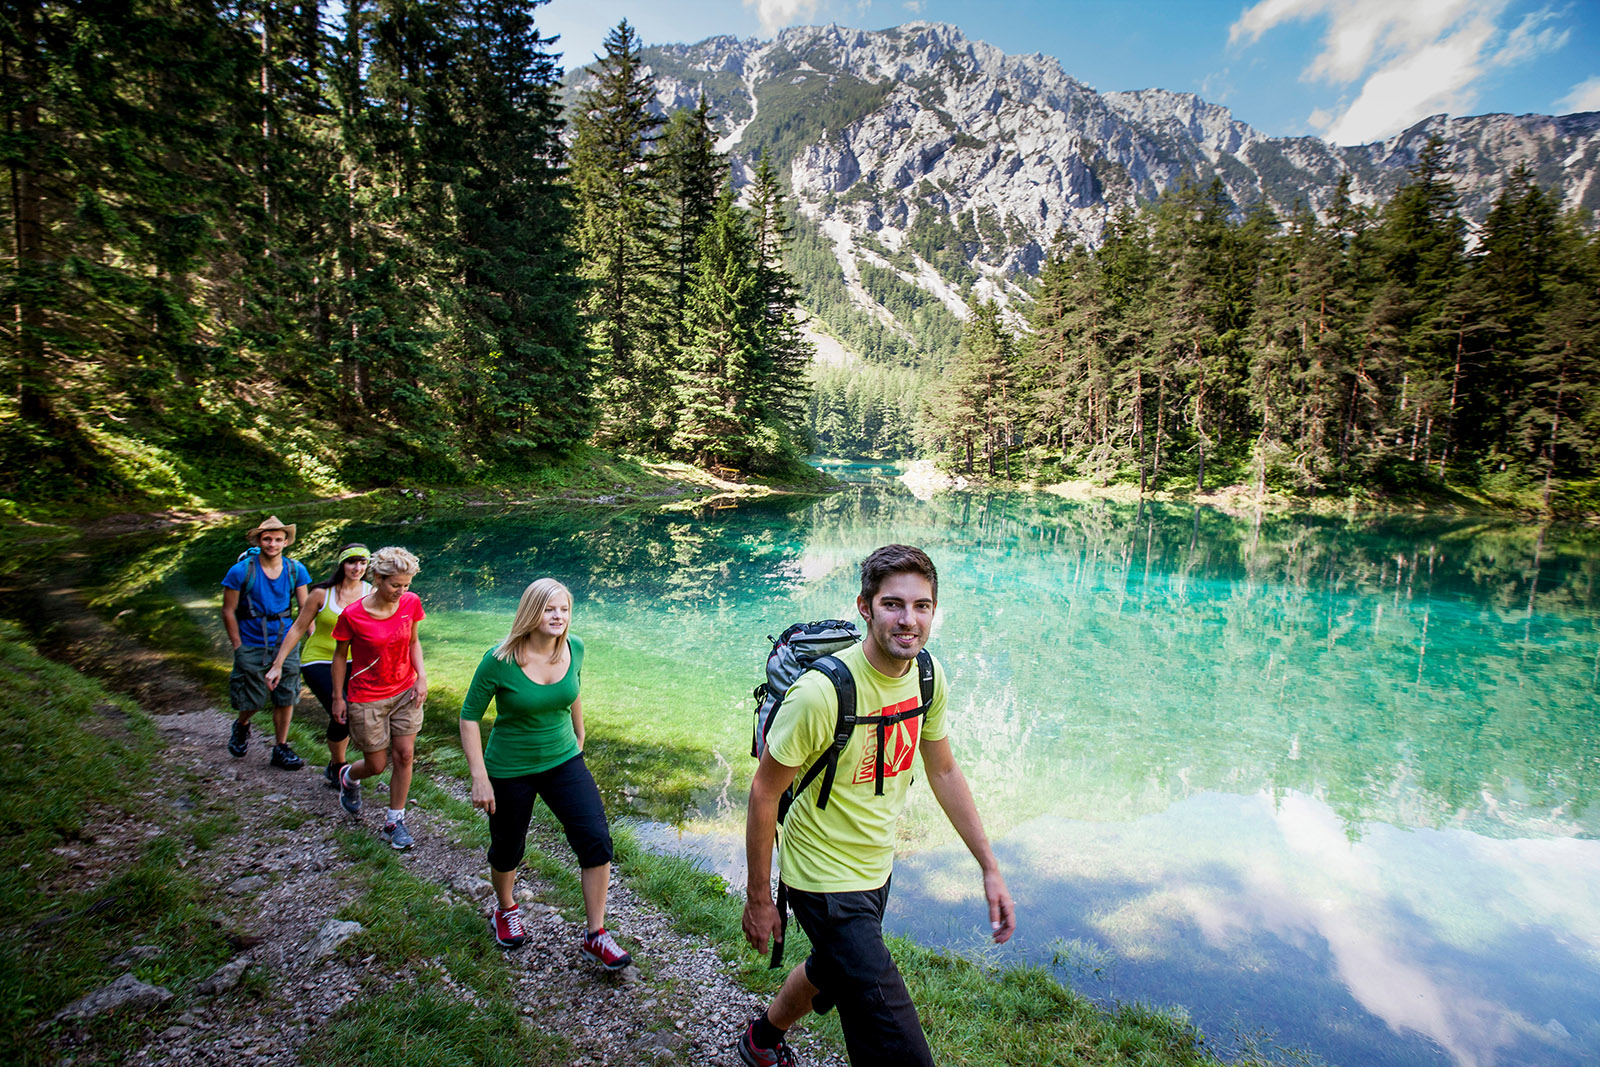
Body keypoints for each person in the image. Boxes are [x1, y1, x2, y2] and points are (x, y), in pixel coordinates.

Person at [737, 545, 1016, 1067]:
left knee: (832, 968)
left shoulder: (927, 677)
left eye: (922, 606)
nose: (908, 620)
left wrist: (989, 866)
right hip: (820, 877)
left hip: (875, 868)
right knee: (898, 1046)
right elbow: (764, 791)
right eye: (893, 604)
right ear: (865, 607)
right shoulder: (822, 693)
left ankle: (762, 1038)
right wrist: (759, 898)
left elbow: (945, 771)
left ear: (933, 611)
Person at [459, 578, 632, 970]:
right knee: (508, 848)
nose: (558, 616)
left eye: (564, 609)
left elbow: (574, 691)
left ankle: (596, 935)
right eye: (549, 609)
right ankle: (505, 909)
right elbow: (469, 717)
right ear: (531, 611)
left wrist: (580, 733)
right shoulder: (499, 659)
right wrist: (479, 776)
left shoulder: (575, 647)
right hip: (509, 767)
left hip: (564, 760)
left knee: (596, 840)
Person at [331, 546, 427, 851]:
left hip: (404, 691)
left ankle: (393, 821)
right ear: (377, 578)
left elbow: (414, 641)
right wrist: (338, 697)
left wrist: (421, 676)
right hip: (366, 696)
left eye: (406, 585)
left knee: (405, 755)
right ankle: (348, 775)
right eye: (394, 585)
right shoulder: (353, 614)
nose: (401, 591)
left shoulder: (411, 603)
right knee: (376, 764)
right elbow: (339, 656)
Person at [264, 544, 372, 788]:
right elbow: (298, 628)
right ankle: (339, 766)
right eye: (351, 562)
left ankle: (336, 766)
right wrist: (278, 664)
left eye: (362, 563)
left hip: (357, 663)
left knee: (350, 714)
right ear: (341, 564)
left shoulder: (372, 592)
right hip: (319, 661)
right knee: (341, 713)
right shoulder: (322, 594)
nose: (357, 568)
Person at [220, 515, 311, 770]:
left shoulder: (296, 570)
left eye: (278, 539)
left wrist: (312, 638)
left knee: (286, 696)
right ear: (259, 540)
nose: (272, 544)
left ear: (285, 542)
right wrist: (237, 646)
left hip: (285, 641)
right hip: (250, 641)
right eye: (267, 539)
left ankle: (280, 748)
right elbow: (229, 610)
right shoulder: (241, 571)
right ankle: (242, 725)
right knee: (253, 698)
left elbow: (305, 609)